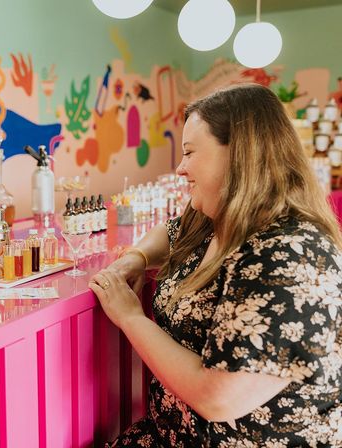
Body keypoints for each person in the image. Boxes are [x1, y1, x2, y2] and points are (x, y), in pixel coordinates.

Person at [90, 84, 342, 447]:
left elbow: (218, 397)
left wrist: (130, 317)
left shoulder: (290, 254)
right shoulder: (214, 219)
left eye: (190, 153)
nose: (180, 168)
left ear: (239, 154)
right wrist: (137, 257)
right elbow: (172, 232)